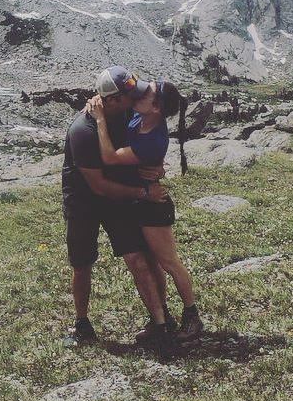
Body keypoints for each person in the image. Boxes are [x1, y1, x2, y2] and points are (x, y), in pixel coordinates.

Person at [85, 79, 204, 344]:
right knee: (153, 264)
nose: (138, 96)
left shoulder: (153, 139)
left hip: (153, 207)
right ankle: (162, 318)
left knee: (169, 262)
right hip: (142, 200)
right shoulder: (142, 118)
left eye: (145, 95)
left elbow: (111, 157)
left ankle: (192, 315)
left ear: (156, 108)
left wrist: (101, 121)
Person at [61, 66, 172, 349]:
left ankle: (161, 320)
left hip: (117, 197)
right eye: (129, 95)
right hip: (83, 200)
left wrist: (155, 166)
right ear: (111, 100)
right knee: (82, 262)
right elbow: (98, 186)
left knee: (139, 258)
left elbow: (149, 138)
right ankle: (83, 325)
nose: (136, 99)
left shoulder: (127, 113)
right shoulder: (82, 131)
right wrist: (144, 192)